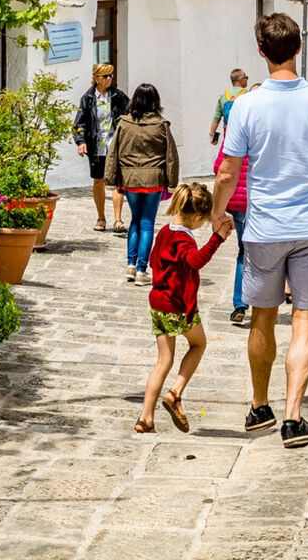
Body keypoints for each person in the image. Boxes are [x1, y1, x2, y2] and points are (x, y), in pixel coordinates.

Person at [213, 13, 308, 449]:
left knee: (262, 316)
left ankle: (260, 406)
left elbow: (227, 171)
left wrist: (219, 214)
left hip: (263, 228)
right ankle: (294, 417)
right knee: (304, 319)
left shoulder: (245, 105)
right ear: (298, 49)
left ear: (261, 51)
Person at [134, 182, 231, 434]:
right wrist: (217, 238)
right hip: (176, 306)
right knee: (199, 344)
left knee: (163, 360)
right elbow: (195, 261)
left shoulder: (165, 231)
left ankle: (145, 418)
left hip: (157, 301)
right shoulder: (183, 239)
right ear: (198, 217)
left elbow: (157, 261)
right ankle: (175, 392)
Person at [105, 83, 180, 282]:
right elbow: (171, 156)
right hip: (153, 179)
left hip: (130, 179)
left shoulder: (124, 123)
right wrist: (172, 182)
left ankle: (130, 264)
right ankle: (141, 269)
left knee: (135, 221)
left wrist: (111, 178)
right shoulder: (161, 126)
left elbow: (113, 153)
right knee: (147, 223)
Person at [74, 64, 129, 232]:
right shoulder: (88, 98)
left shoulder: (119, 96)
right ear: (97, 78)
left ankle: (118, 220)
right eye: (106, 76)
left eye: (111, 76)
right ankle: (101, 218)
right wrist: (81, 141)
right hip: (96, 145)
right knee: (98, 180)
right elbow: (79, 123)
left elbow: (130, 115)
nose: (109, 79)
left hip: (115, 145)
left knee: (118, 181)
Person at [213, 127, 251, 323]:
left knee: (244, 251)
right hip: (263, 199)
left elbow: (220, 167)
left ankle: (240, 303)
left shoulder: (235, 129)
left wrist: (217, 212)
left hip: (238, 201)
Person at [209, 67, 249, 144]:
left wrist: (212, 134)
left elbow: (216, 118)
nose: (247, 79)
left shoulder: (223, 96)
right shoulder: (248, 94)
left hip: (228, 134)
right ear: (240, 79)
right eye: (246, 77)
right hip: (244, 134)